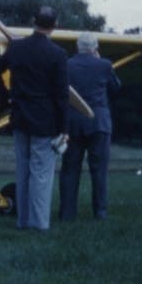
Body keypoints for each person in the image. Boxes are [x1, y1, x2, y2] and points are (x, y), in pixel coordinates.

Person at [0, 6, 70, 231]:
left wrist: (5, 100)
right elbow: (61, 95)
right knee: (41, 174)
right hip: (44, 122)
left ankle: (23, 221)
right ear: (55, 25)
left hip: (19, 117)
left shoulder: (17, 48)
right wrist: (64, 128)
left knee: (23, 171)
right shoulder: (57, 54)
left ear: (34, 21)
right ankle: (38, 224)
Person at [58, 32, 121, 220]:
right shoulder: (105, 65)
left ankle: (67, 213)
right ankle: (100, 212)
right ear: (95, 48)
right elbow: (116, 87)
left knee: (69, 169)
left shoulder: (66, 65)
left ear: (77, 47)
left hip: (73, 124)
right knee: (99, 170)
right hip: (98, 123)